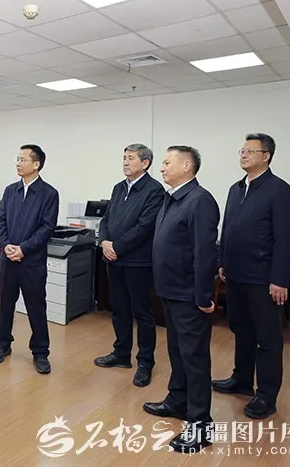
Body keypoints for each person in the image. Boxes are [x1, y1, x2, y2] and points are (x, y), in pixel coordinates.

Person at [213, 133, 290, 419]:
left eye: (250, 151)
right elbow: (227, 229)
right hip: (235, 274)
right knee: (242, 330)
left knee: (268, 338)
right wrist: (223, 262)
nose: (243, 154)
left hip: (263, 279)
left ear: (266, 156)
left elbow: (286, 239)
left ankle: (266, 395)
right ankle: (241, 379)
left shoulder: (280, 191)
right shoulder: (236, 188)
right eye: (242, 150)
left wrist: (279, 279)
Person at [143, 145, 219, 454]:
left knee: (195, 359)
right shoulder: (172, 197)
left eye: (166, 162)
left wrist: (203, 296)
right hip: (170, 291)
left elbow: (205, 254)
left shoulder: (199, 201)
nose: (161, 168)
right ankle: (178, 400)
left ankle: (200, 424)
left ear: (186, 166)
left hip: (189, 296)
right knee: (176, 351)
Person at [94, 144, 164, 387]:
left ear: (145, 163)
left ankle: (145, 363)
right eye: (124, 157)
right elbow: (106, 218)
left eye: (131, 158)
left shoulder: (154, 190)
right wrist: (104, 242)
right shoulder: (118, 187)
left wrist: (117, 246)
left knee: (143, 313)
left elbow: (145, 227)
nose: (125, 162)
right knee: (119, 308)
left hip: (137, 262)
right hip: (113, 259)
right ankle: (121, 353)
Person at [0, 144, 58, 374]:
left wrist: (24, 249)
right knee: (6, 304)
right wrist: (6, 245)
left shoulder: (49, 193)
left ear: (36, 164)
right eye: (17, 159)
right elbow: (1, 221)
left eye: (23, 159)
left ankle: (40, 352)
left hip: (32, 262)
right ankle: (2, 344)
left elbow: (47, 227)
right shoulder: (10, 190)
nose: (18, 163)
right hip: (9, 259)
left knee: (36, 307)